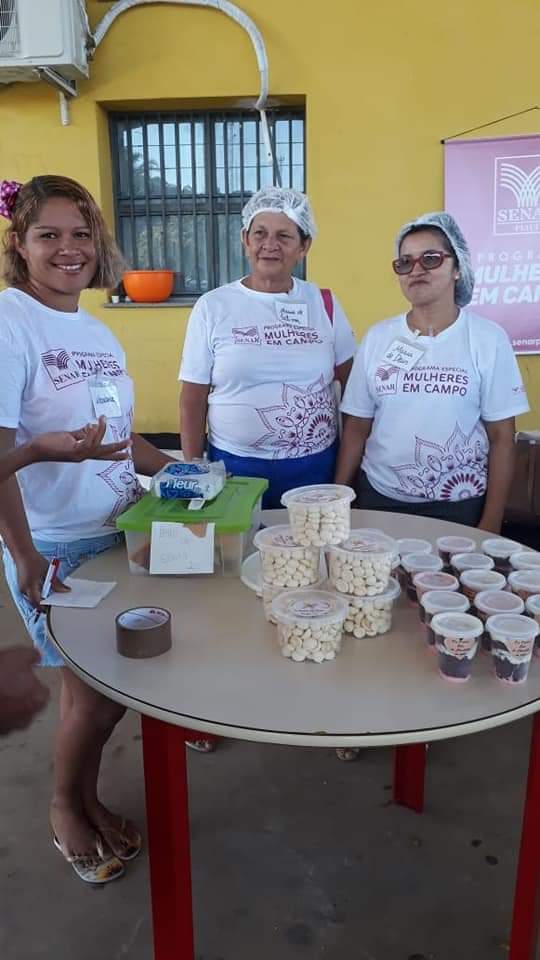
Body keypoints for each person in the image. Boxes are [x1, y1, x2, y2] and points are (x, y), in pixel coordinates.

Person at [0, 175, 175, 883]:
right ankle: (65, 809)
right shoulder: (12, 322)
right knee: (95, 694)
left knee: (105, 693)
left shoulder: (98, 328)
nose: (68, 250)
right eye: (50, 235)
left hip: (118, 530)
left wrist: (183, 470)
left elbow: (120, 438)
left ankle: (87, 797)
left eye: (80, 234)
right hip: (55, 543)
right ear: (20, 244)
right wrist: (25, 556)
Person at [334, 211, 529, 760]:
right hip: (381, 501)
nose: (416, 269)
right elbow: (356, 428)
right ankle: (365, 718)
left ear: (457, 268)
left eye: (431, 258)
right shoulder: (378, 339)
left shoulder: (485, 340)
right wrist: (339, 500)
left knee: (448, 617)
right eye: (405, 261)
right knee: (375, 614)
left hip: (457, 511)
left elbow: (502, 440)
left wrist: (491, 524)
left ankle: (432, 724)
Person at [178, 185, 356, 752]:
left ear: (304, 246)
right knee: (234, 590)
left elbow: (353, 390)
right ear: (243, 241)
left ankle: (330, 709)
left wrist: (347, 476)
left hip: (313, 474)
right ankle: (222, 706)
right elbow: (190, 397)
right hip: (235, 473)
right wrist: (193, 473)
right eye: (260, 233)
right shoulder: (214, 306)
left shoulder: (324, 305)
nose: (270, 244)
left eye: (285, 235)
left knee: (320, 584)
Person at [0, 419, 131, 737]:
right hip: (59, 548)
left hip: (112, 535)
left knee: (91, 703)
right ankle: (70, 790)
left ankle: (75, 789)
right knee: (97, 701)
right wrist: (23, 553)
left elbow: (120, 434)